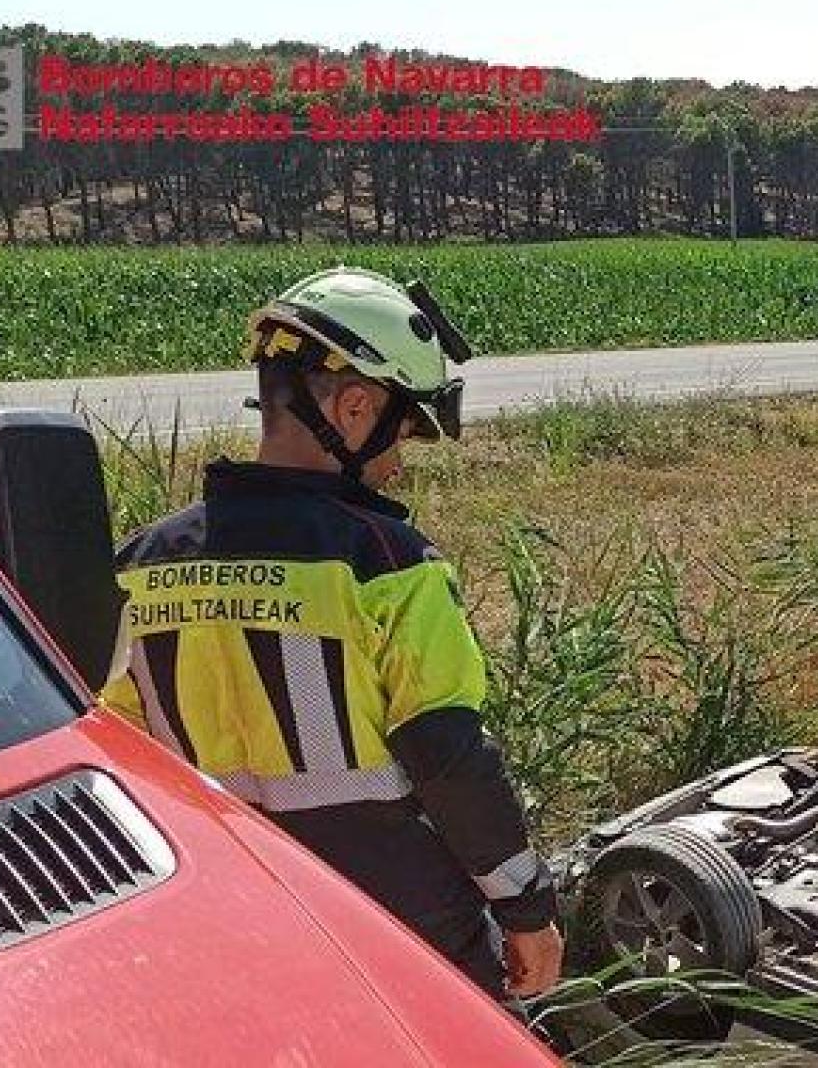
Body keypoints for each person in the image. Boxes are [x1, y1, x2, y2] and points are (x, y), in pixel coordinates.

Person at [99, 267, 562, 1006]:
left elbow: (118, 746)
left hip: (232, 906)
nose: (399, 460)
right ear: (354, 407)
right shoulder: (386, 564)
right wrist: (526, 909)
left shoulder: (143, 563)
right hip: (397, 916)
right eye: (403, 430)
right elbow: (448, 757)